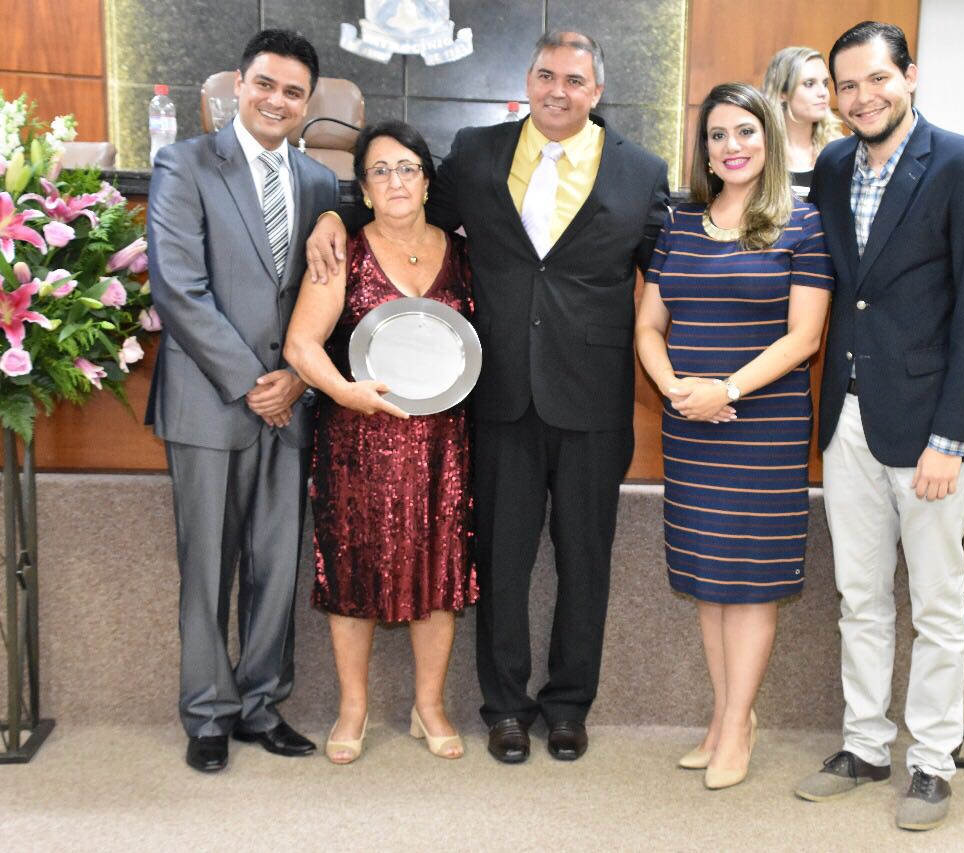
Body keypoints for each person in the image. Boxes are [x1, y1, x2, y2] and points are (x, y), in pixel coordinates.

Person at [304, 31, 669, 764]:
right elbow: (401, 200)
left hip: (595, 399)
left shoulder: (642, 170)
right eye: (546, 75)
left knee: (585, 561)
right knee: (501, 560)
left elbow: (669, 270)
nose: (558, 90)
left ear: (597, 91)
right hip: (497, 393)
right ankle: (504, 706)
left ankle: (568, 706)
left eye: (575, 79)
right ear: (527, 81)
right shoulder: (475, 153)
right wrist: (333, 215)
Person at [791, 22, 964, 831]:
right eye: (847, 86)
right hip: (846, 415)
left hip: (928, 428)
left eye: (877, 79)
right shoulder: (832, 164)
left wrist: (952, 436)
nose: (862, 98)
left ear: (910, 76)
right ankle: (864, 745)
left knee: (937, 603)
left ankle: (932, 762)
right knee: (858, 595)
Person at [145, 29, 339, 773]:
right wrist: (256, 382)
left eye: (293, 92)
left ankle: (261, 703)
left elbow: (328, 294)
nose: (276, 101)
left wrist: (296, 377)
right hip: (211, 400)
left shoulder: (319, 184)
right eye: (265, 84)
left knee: (275, 562)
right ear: (238, 84)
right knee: (206, 564)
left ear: (308, 102)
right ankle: (207, 713)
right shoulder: (185, 164)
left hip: (290, 403)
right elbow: (179, 289)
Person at [636, 82, 833, 791]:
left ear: (769, 139)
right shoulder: (680, 224)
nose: (732, 146)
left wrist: (728, 390)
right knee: (709, 578)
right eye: (717, 135)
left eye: (745, 131)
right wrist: (675, 389)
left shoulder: (803, 222)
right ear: (705, 149)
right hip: (690, 424)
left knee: (750, 583)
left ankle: (736, 725)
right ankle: (727, 719)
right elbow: (648, 325)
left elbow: (804, 337)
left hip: (762, 426)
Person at [283, 120, 478, 764]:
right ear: (363, 189)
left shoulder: (464, 252)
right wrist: (344, 392)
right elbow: (301, 345)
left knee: (440, 572)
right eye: (380, 170)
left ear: (427, 180)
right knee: (352, 573)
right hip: (358, 439)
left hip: (443, 445)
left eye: (407, 168)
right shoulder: (342, 250)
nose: (396, 181)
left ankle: (430, 706)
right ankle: (353, 708)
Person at [762, 46, 844, 194]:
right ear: (782, 93)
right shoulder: (760, 151)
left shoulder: (840, 151)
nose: (823, 93)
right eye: (809, 84)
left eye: (825, 83)